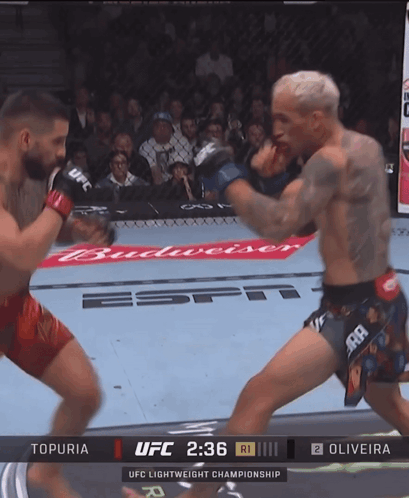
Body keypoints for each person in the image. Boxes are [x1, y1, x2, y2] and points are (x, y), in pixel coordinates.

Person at [125, 71, 409, 498]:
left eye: (285, 119)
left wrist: (228, 176)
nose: (276, 130)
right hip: (380, 300)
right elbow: (313, 219)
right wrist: (273, 182)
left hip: (357, 312)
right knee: (392, 407)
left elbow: (278, 226)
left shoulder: (328, 161)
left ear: (316, 119)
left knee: (257, 397)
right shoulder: (363, 147)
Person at [0, 89, 116, 498]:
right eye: (57, 142)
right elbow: (19, 252)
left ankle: (45, 472)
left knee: (84, 394)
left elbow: (37, 225)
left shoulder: (32, 176)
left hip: (15, 308)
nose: (63, 154)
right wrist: (62, 200)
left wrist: (77, 229)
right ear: (26, 139)